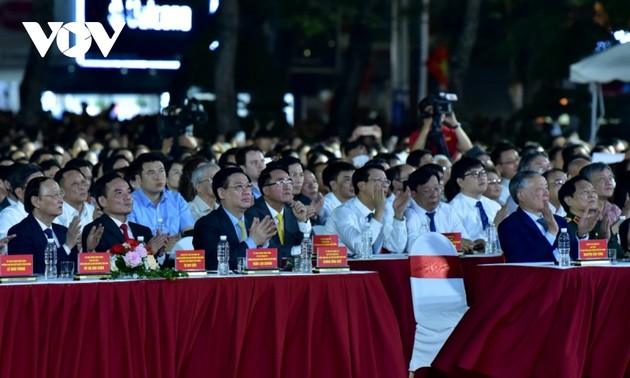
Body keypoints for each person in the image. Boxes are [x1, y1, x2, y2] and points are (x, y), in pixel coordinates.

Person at [192, 167, 276, 270]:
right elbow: (214, 263)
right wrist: (253, 241)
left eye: (248, 186)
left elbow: (278, 259)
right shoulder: (206, 224)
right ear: (221, 193)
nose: (246, 192)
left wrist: (264, 245)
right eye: (239, 187)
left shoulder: (255, 221)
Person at [81, 173, 168, 261]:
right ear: (102, 201)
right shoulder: (95, 231)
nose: (127, 197)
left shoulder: (143, 231)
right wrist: (147, 251)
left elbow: (158, 269)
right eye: (119, 193)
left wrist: (160, 253)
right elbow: (103, 266)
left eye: (129, 192)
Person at [325, 164, 409, 254]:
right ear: (361, 185)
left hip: (371, 266)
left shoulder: (379, 211)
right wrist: (379, 213)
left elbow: (396, 247)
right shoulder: (342, 212)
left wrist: (398, 214)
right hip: (344, 266)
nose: (384, 185)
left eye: (386, 181)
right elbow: (360, 248)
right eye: (378, 180)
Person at [7, 177, 84, 274]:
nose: (61, 200)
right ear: (36, 201)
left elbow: (75, 270)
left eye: (60, 194)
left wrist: (88, 249)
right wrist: (67, 246)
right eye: (54, 195)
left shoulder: (64, 232)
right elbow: (32, 271)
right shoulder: (20, 232)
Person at [498, 171, 578, 263]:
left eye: (546, 188)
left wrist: (582, 235)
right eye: (539, 189)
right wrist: (551, 233)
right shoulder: (510, 225)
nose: (546, 193)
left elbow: (576, 254)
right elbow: (522, 261)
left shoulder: (559, 221)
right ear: (521, 196)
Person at [245, 163, 311, 263]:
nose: (287, 186)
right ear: (266, 190)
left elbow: (311, 245)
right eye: (281, 182)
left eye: (289, 181)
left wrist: (302, 221)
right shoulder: (253, 214)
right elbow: (268, 249)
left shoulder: (293, 211)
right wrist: (297, 250)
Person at [128, 152, 195, 243]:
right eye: (152, 173)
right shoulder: (129, 201)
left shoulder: (176, 199)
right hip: (144, 255)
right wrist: (161, 245)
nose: (158, 177)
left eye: (161, 171)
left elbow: (189, 232)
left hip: (175, 253)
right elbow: (131, 240)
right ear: (139, 179)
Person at [404, 167, 472, 253]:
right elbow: (412, 246)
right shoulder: (408, 213)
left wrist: (472, 244)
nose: (434, 194)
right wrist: (448, 242)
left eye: (437, 188)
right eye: (427, 190)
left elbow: (464, 238)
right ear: (413, 194)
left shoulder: (447, 210)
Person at [446, 157, 501, 246]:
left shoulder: (494, 206)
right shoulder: (452, 209)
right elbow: (467, 244)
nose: (482, 177)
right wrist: (494, 228)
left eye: (483, 172)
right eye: (475, 174)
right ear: (460, 182)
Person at [409, 95, 473, 160]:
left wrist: (455, 124)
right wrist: (426, 127)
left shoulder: (450, 132)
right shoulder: (417, 135)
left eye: (438, 108)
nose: (436, 112)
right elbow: (414, 156)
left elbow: (468, 150)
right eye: (430, 110)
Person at [0, 163, 44, 232]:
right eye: (36, 186)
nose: (44, 190)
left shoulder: (50, 212)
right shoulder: (8, 217)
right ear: (19, 193)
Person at [53, 167, 95, 232]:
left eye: (83, 182)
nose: (82, 187)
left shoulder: (93, 211)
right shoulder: (56, 215)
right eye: (75, 184)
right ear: (61, 191)